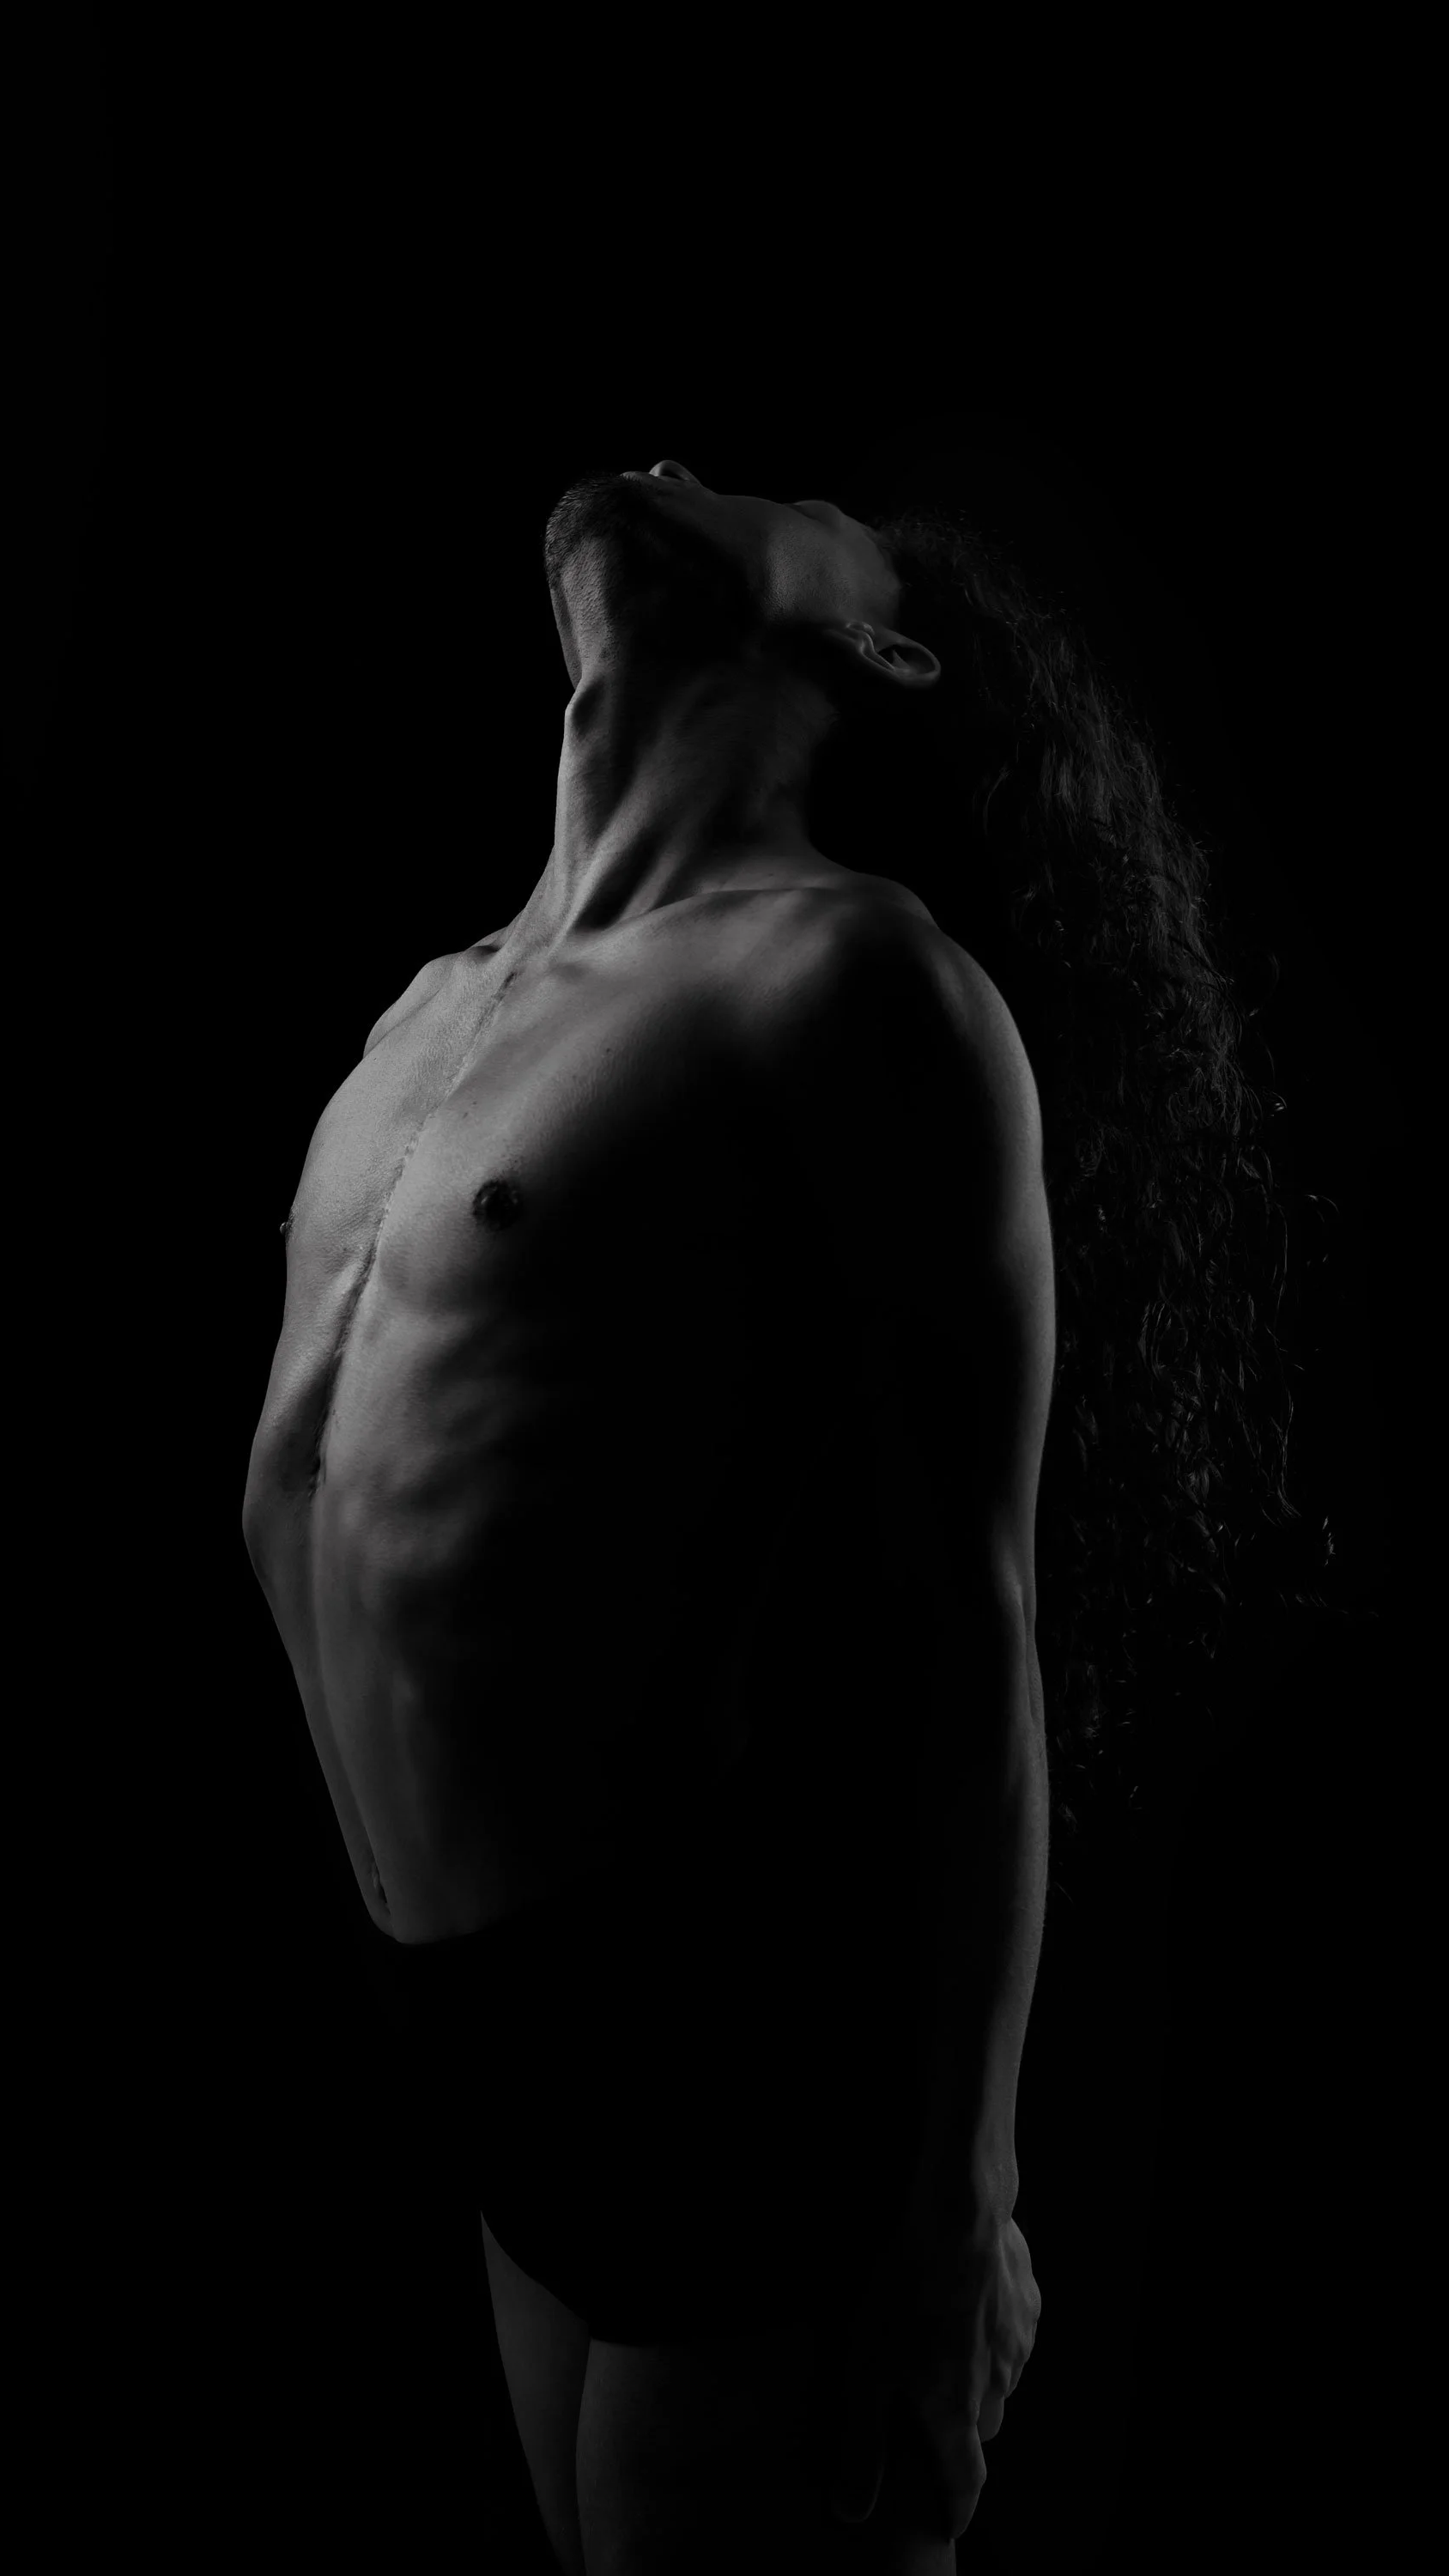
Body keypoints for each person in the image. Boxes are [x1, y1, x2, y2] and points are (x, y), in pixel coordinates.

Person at [241, 459, 1054, 2573]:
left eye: (766, 484)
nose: (677, 457)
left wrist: (955, 2205)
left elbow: (971, 1636)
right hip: (491, 2051)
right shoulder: (424, 1021)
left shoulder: (854, 986)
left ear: (874, 644)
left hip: (719, 2051)